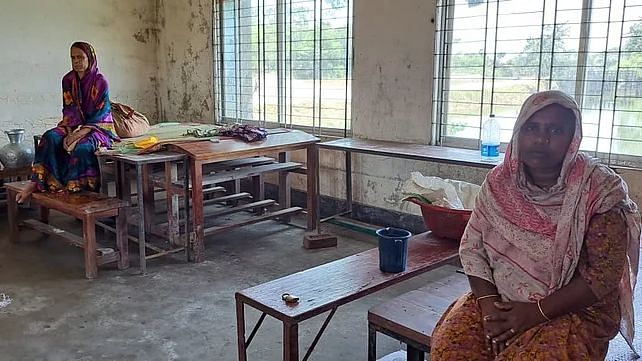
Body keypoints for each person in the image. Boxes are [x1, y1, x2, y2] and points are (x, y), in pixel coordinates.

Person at [430, 90, 641, 360]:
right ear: (519, 132)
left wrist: (534, 313)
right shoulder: (499, 183)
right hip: (501, 298)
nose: (541, 139)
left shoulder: (598, 192)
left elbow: (602, 278)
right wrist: (488, 305)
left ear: (572, 138)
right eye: (532, 127)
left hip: (575, 309)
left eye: (555, 130)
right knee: (453, 350)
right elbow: (473, 247)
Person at [16, 42, 118, 203]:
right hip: (73, 125)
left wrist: (78, 135)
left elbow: (102, 115)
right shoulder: (68, 80)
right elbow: (69, 110)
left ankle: (83, 193)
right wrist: (70, 133)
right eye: (73, 57)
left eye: (80, 57)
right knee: (50, 137)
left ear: (90, 58)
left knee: (83, 148)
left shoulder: (100, 81)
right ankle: (43, 182)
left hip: (98, 128)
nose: (76, 61)